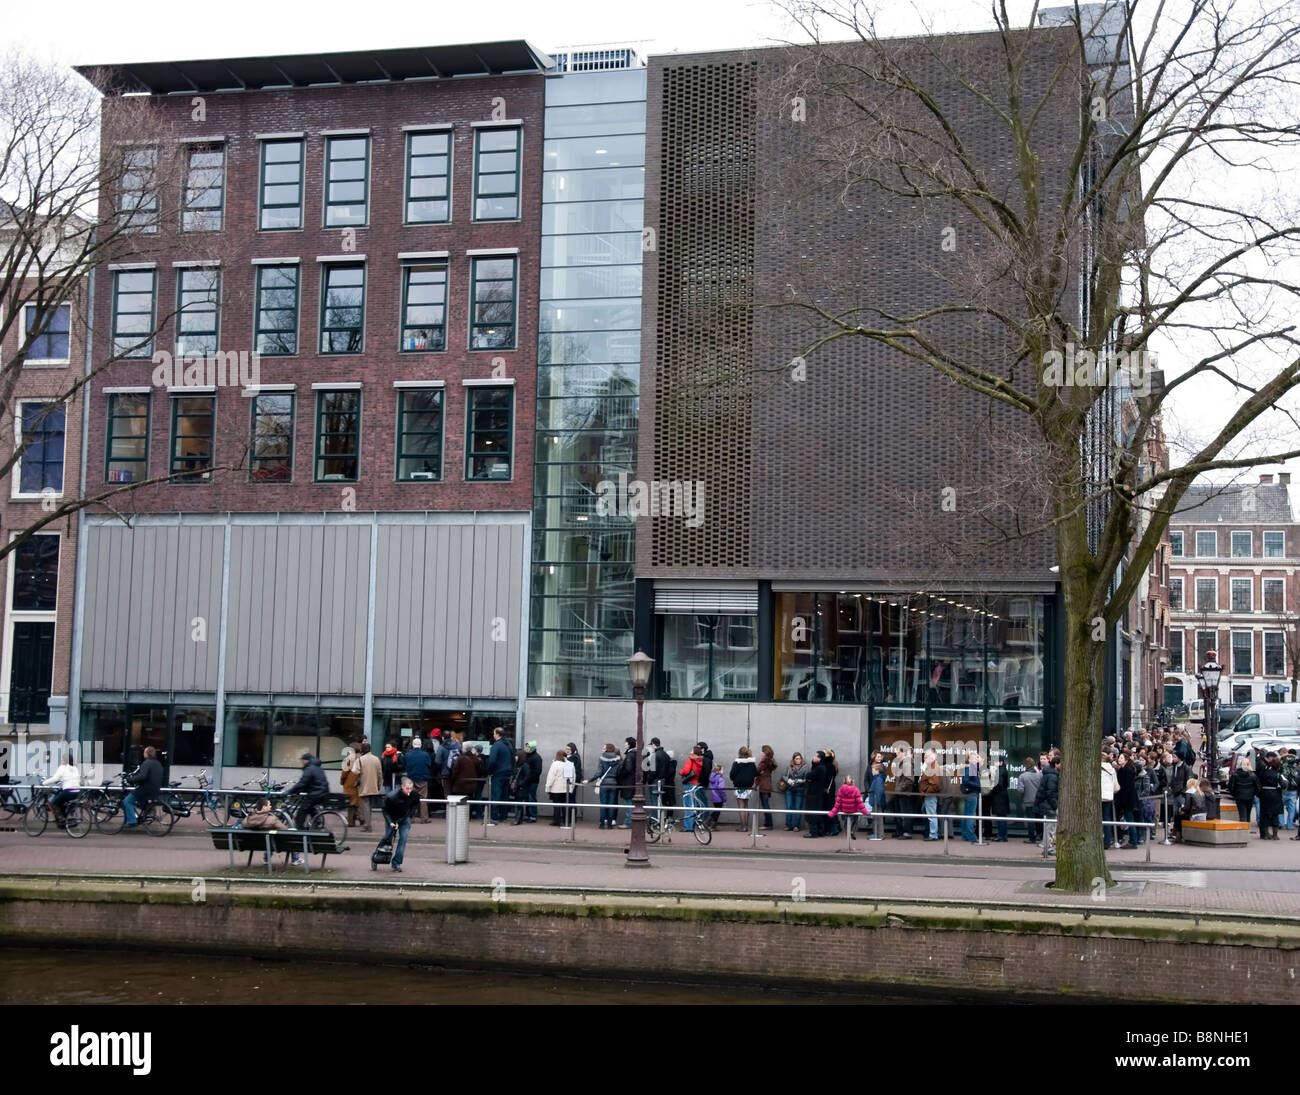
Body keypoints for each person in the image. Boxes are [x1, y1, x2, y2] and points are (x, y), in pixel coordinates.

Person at [382, 776, 420, 872]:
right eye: (407, 788)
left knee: (403, 840)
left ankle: (396, 863)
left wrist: (409, 815)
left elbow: (415, 805)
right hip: (392, 818)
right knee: (388, 839)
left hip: (404, 818)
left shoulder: (414, 794)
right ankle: (379, 857)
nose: (409, 791)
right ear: (402, 787)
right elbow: (385, 811)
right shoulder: (391, 797)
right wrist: (391, 822)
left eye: (411, 788)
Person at [285, 752, 330, 830]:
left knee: (301, 813)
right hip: (322, 793)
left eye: (303, 760)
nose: (302, 762)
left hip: (316, 794)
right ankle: (316, 824)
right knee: (309, 808)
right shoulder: (317, 767)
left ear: (306, 760)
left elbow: (303, 782)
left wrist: (290, 791)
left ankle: (300, 830)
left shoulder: (309, 768)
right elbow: (312, 782)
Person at [122, 746, 164, 829]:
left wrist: (131, 780)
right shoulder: (158, 763)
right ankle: (148, 811)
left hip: (145, 788)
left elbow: (142, 776)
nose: (143, 753)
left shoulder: (147, 763)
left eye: (144, 752)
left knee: (127, 801)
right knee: (141, 801)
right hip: (155, 789)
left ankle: (132, 821)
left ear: (147, 753)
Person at [242, 798, 288, 865]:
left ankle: (266, 859)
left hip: (252, 844)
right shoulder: (271, 819)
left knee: (268, 839)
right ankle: (295, 858)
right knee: (291, 832)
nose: (271, 806)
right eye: (269, 805)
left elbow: (243, 825)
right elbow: (285, 830)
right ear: (264, 807)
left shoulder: (248, 819)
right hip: (273, 845)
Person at [42, 751, 81, 827]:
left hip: (68, 791)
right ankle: (64, 821)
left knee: (53, 803)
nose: (61, 761)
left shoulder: (62, 767)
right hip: (76, 791)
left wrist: (44, 783)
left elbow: (55, 778)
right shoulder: (75, 768)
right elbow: (75, 779)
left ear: (64, 760)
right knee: (61, 803)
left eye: (62, 759)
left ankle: (61, 819)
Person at [591, 743, 621, 829]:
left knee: (603, 803)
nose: (602, 749)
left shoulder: (602, 758)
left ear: (607, 749)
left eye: (604, 748)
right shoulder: (618, 759)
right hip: (614, 783)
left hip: (604, 783)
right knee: (612, 804)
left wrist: (590, 780)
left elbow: (599, 772)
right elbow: (619, 772)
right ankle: (610, 823)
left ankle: (602, 822)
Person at [828, 774, 868, 839]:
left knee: (845, 822)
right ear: (853, 782)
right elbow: (860, 803)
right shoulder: (856, 790)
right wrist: (866, 812)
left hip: (844, 810)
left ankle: (847, 831)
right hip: (853, 810)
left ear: (844, 781)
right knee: (855, 821)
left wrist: (832, 813)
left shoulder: (841, 790)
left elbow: (837, 804)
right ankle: (852, 831)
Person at [487, 727, 513, 824]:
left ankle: (494, 816)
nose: (493, 735)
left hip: (498, 773)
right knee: (504, 795)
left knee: (496, 795)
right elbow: (513, 759)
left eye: (494, 733)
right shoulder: (508, 745)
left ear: (497, 734)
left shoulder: (496, 746)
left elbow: (492, 761)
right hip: (507, 773)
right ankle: (503, 815)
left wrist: (489, 771)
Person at [403, 737, 433, 823]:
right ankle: (424, 818)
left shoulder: (408, 754)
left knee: (410, 798)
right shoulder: (425, 755)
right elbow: (429, 765)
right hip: (422, 778)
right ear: (420, 745)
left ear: (413, 745)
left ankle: (410, 817)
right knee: (423, 798)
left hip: (411, 778)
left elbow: (405, 765)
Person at [356, 740, 383, 832]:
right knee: (370, 805)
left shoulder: (360, 759)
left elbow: (355, 772)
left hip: (364, 785)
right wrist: (379, 785)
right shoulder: (376, 759)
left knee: (366, 805)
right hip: (374, 786)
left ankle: (367, 825)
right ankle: (368, 823)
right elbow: (380, 774)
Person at [803, 751, 832, 838]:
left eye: (815, 756)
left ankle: (813, 832)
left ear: (819, 758)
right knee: (817, 813)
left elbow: (809, 775)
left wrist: (809, 777)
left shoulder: (820, 768)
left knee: (812, 813)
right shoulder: (821, 767)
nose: (813, 758)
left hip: (814, 794)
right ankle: (820, 831)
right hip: (817, 794)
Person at [891, 744, 915, 839]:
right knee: (901, 812)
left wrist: (900, 789)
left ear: (903, 753)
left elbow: (909, 780)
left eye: (898, 751)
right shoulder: (903, 763)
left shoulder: (907, 763)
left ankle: (906, 832)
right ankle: (901, 831)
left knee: (905, 812)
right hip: (901, 793)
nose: (896, 753)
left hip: (903, 793)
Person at [730, 747, 757, 830]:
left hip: (739, 786)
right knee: (746, 806)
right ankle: (747, 826)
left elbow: (732, 775)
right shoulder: (752, 763)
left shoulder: (737, 762)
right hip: (749, 787)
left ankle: (743, 826)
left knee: (741, 807)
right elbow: (755, 774)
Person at [1038, 751, 1060, 857]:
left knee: (1048, 827)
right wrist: (1055, 805)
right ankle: (1048, 848)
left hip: (1047, 804)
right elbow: (1051, 793)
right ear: (1056, 764)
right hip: (1050, 805)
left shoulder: (1048, 774)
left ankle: (1047, 847)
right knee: (1050, 828)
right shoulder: (1052, 776)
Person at [1258, 753, 1285, 840]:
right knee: (1275, 815)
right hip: (1275, 794)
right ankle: (1275, 834)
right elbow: (1283, 784)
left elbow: (1259, 781)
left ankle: (1266, 834)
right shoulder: (1278, 773)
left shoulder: (1264, 771)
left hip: (1265, 794)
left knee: (1265, 814)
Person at [546, 749, 575, 826]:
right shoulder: (569, 764)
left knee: (556, 805)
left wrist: (548, 787)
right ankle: (567, 821)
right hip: (566, 788)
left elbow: (551, 777)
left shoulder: (555, 764)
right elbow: (572, 777)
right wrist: (571, 788)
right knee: (565, 805)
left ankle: (556, 821)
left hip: (556, 789)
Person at [679, 744, 705, 831]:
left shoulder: (690, 759)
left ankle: (688, 826)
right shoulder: (700, 760)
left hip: (689, 783)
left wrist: (681, 772)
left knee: (688, 805)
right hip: (696, 783)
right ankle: (696, 824)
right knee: (695, 804)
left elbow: (686, 770)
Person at [1229, 756, 1259, 827]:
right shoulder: (1252, 775)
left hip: (1239, 796)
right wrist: (1253, 793)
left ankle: (1243, 827)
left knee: (1242, 812)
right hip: (1249, 797)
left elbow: (1231, 786)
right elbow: (1258, 787)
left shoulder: (1235, 774)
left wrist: (1234, 794)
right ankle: (1247, 825)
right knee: (1248, 812)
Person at [615, 737, 638, 828]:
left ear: (629, 744)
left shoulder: (630, 755)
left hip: (628, 782)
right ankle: (630, 821)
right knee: (631, 802)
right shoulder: (636, 754)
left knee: (629, 802)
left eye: (626, 743)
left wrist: (621, 772)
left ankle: (628, 822)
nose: (624, 744)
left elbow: (628, 768)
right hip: (633, 781)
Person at [985, 756, 1009, 842]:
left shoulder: (999, 771)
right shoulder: (1004, 770)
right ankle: (1003, 835)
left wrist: (991, 789)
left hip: (999, 797)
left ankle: (1001, 836)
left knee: (1000, 816)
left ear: (1000, 762)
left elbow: (999, 784)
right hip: (1003, 795)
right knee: (1003, 816)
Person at [1019, 756, 1042, 844]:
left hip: (1028, 801)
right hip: (1038, 801)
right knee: (1039, 819)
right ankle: (1039, 836)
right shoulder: (1039, 775)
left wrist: (1023, 797)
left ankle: (1031, 838)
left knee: (1031, 820)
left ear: (1025, 765)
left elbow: (1020, 790)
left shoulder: (1023, 776)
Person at [783, 753, 808, 832]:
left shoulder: (805, 767)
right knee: (789, 807)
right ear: (793, 759)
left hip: (800, 789)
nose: (798, 760)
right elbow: (784, 775)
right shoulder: (789, 766)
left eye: (799, 758)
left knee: (798, 807)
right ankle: (788, 825)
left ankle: (796, 826)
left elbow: (807, 778)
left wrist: (801, 780)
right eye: (796, 758)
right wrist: (788, 780)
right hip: (789, 788)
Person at [960, 753, 982, 843]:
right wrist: (978, 785)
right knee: (970, 815)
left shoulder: (969, 768)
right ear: (969, 760)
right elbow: (966, 780)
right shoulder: (971, 768)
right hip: (972, 793)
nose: (977, 759)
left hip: (969, 793)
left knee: (967, 814)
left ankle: (965, 834)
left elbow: (965, 780)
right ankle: (971, 836)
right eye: (975, 758)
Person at [755, 745, 777, 830]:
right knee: (766, 804)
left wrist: (760, 773)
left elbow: (757, 771)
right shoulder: (770, 761)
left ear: (765, 752)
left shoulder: (764, 761)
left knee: (765, 805)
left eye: (762, 751)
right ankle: (768, 823)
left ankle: (768, 824)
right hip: (767, 784)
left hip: (763, 785)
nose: (761, 753)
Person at [1100, 750, 1118, 849]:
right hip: (1109, 796)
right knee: (1107, 817)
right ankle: (1108, 840)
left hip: (1099, 796)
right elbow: (1115, 784)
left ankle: (1102, 839)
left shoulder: (1097, 769)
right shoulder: (1112, 769)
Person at [340, 744, 362, 827]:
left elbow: (344, 772)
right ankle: (360, 818)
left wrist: (342, 781)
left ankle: (352, 821)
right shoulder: (361, 758)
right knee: (356, 802)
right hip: (359, 781)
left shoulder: (349, 759)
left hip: (350, 782)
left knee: (350, 803)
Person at [869, 761, 890, 839]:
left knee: (877, 818)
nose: (872, 771)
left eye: (873, 769)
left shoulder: (878, 779)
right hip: (876, 801)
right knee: (877, 818)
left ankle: (879, 834)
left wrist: (876, 801)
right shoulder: (878, 779)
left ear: (877, 771)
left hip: (876, 802)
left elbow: (879, 791)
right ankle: (877, 834)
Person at [523, 741, 543, 822]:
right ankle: (529, 815)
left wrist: (528, 778)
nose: (526, 749)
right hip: (528, 781)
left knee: (531, 798)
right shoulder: (528, 756)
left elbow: (538, 771)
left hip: (533, 781)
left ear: (532, 748)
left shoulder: (536, 757)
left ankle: (533, 816)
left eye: (527, 747)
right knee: (528, 798)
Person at [565, 742, 583, 821]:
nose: (567, 750)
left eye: (569, 749)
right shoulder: (575, 756)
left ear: (572, 749)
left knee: (571, 799)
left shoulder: (573, 757)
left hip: (572, 781)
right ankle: (571, 817)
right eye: (566, 749)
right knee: (571, 799)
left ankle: (571, 818)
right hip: (574, 780)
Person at [1281, 749, 1299, 831]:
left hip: (1284, 789)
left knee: (1280, 807)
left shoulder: (1282, 766)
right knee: (1292, 808)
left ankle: (1280, 823)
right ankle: (1290, 825)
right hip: (1293, 790)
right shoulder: (1297, 768)